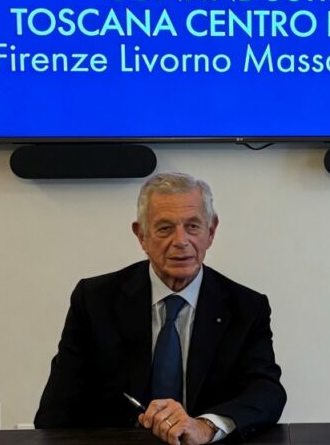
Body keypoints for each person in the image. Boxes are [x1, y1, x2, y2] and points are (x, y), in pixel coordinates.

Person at [35, 172, 286, 444]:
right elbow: (55, 412)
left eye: (193, 226)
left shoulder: (246, 307)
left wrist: (205, 426)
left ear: (211, 232)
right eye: (165, 228)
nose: (181, 241)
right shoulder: (95, 300)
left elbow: (266, 392)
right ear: (141, 235)